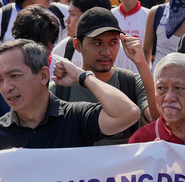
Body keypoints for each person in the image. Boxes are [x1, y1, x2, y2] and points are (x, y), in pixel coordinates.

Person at [0, 39, 141, 153]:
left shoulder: (76, 118)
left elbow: (129, 113)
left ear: (43, 75)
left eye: (15, 76)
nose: (6, 87)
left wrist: (83, 77)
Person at [51, 8, 158, 145]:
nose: (106, 52)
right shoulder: (60, 90)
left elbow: (157, 120)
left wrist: (142, 64)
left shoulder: (131, 83)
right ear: (78, 45)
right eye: (97, 43)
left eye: (113, 43)